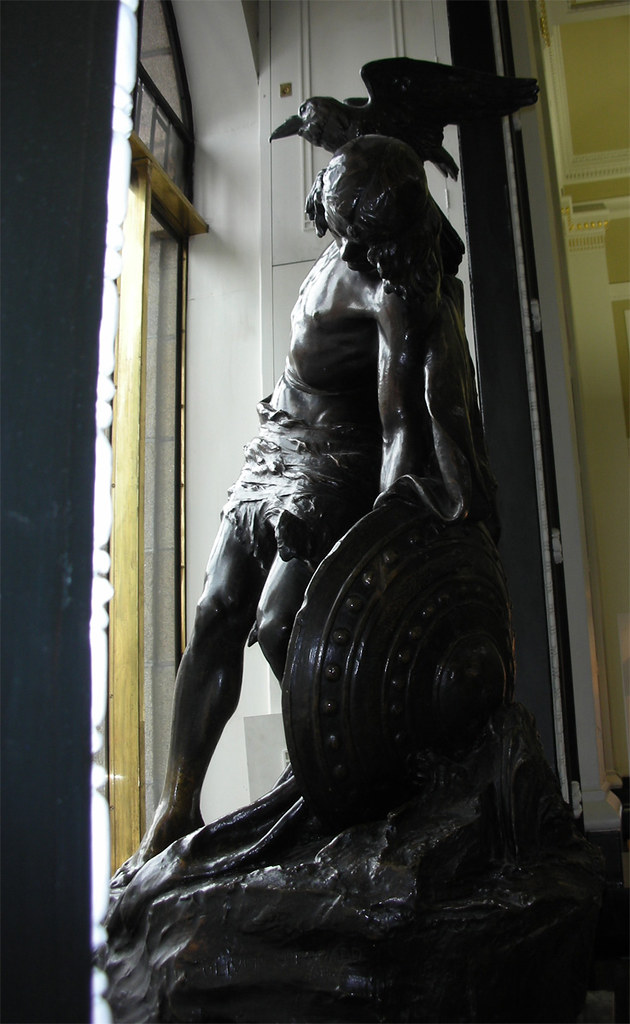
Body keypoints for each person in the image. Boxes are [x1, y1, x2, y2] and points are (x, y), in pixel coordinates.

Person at [120, 135, 497, 877]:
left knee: (274, 626)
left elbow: (399, 427)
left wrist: (381, 529)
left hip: (334, 463)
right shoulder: (347, 226)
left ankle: (339, 777)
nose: (323, 214)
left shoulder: (393, 292)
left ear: (369, 227)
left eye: (337, 210)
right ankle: (178, 802)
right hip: (275, 445)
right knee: (213, 614)